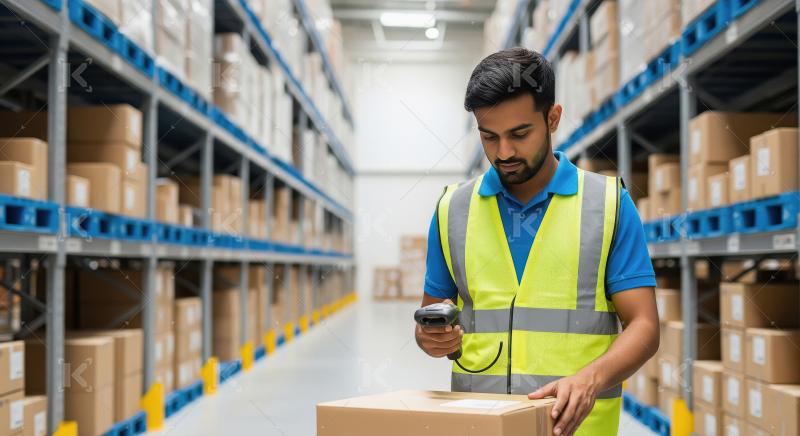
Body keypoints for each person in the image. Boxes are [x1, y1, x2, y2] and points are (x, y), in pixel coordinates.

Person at [414, 47, 659, 436]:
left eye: (520, 134)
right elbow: (430, 323)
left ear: (553, 118)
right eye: (489, 136)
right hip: (480, 426)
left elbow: (644, 325)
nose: (504, 152)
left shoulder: (608, 205)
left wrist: (590, 380)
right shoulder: (452, 210)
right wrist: (432, 338)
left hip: (577, 428)